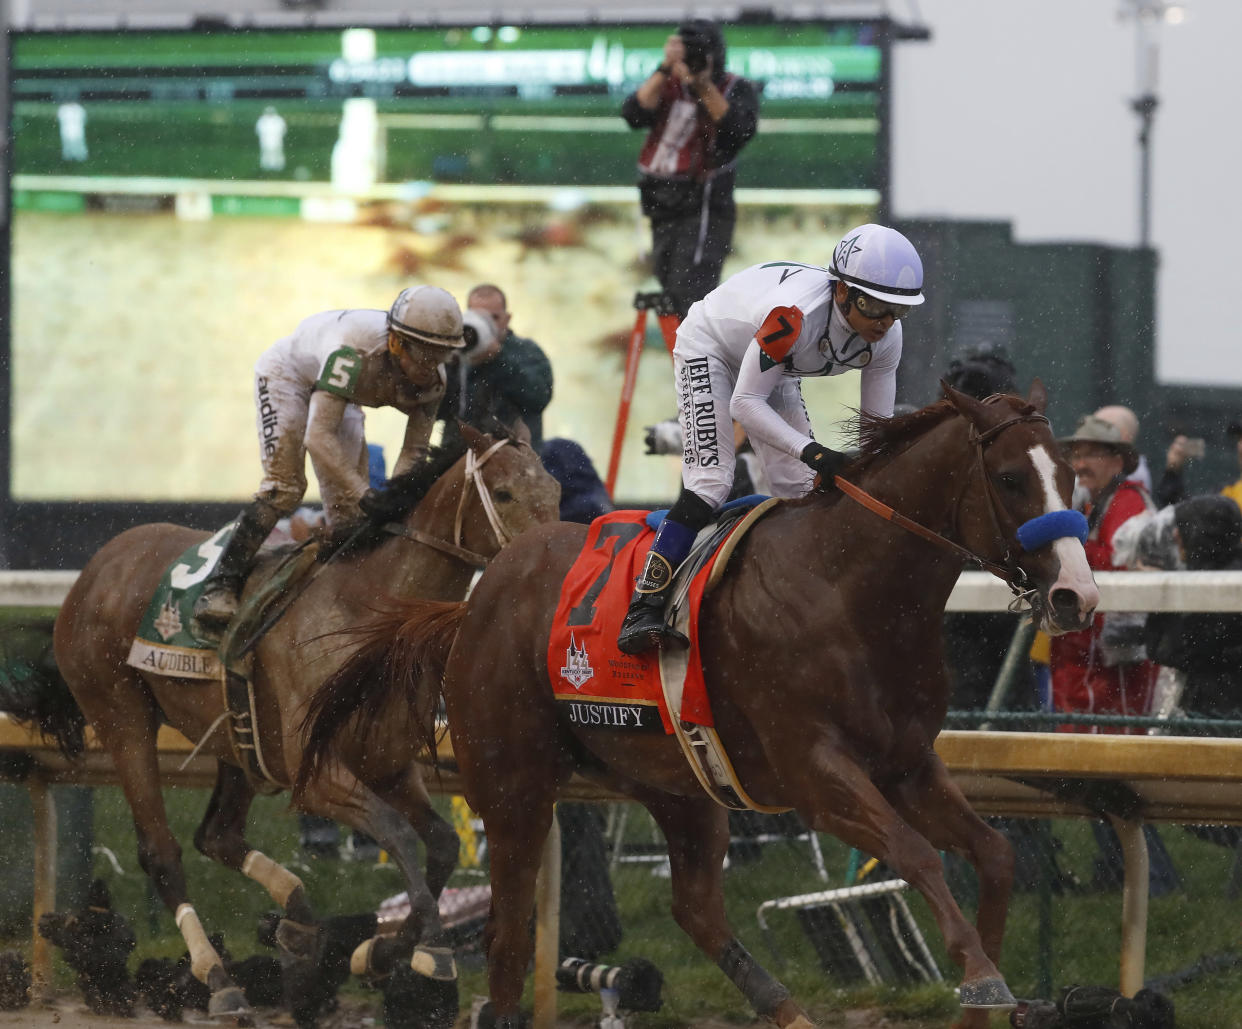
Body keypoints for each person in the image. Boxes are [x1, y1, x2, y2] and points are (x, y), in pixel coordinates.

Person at [617, 222, 925, 654]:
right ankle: (643, 607)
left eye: (899, 310)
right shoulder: (793, 317)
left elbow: (876, 431)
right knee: (711, 482)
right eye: (874, 305)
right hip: (711, 347)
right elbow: (745, 404)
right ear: (841, 292)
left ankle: (801, 601)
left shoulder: (887, 337)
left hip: (772, 362)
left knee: (799, 489)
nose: (887, 321)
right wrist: (816, 452)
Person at [193, 286, 466, 633]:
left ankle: (343, 603)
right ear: (396, 343)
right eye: (425, 356)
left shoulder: (434, 383)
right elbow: (317, 437)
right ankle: (221, 583)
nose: (432, 369)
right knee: (285, 489)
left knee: (348, 514)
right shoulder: (352, 352)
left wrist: (394, 501)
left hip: (342, 396)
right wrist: (368, 493)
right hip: (288, 375)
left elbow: (413, 452)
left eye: (440, 357)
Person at [1052, 414, 1179, 895]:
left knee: (1110, 776)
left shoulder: (1127, 504)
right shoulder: (1095, 504)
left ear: (1118, 461)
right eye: (1076, 453)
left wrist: (1067, 548)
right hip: (1087, 662)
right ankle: (1127, 877)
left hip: (1111, 666)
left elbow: (1120, 567)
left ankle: (1149, 881)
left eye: (1090, 454)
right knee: (1095, 775)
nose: (1079, 462)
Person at [620, 20, 760, 318]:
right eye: (686, 52)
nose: (691, 61)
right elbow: (633, 113)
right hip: (661, 197)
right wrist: (665, 68)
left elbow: (738, 131)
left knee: (693, 289)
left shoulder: (735, 88)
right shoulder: (667, 82)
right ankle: (682, 348)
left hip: (704, 202)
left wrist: (703, 85)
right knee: (667, 277)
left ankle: (698, 351)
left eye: (698, 53)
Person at [438, 284, 554, 452]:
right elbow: (436, 411)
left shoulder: (527, 351)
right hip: (457, 460)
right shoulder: (457, 353)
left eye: (493, 317)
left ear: (507, 319)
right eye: (478, 316)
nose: (485, 323)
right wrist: (450, 362)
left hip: (513, 460)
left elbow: (539, 397)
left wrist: (498, 358)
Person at [255, 106, 287, 172]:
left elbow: (283, 130)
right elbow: (258, 130)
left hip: (277, 141)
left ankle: (278, 169)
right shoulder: (262, 120)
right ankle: (266, 169)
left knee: (277, 155)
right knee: (266, 155)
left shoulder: (278, 120)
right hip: (265, 141)